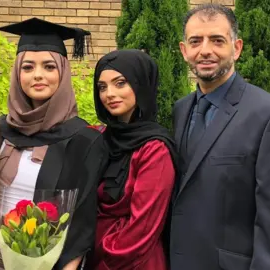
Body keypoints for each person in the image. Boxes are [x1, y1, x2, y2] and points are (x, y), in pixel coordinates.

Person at [171, 4, 270, 270]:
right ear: (184, 51)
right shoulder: (180, 110)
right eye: (195, 41)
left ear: (236, 48)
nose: (205, 50)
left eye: (217, 40)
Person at [0, 18, 106, 270]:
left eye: (48, 66)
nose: (38, 75)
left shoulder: (83, 139)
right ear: (17, 73)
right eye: (27, 67)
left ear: (62, 72)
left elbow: (81, 224)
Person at [87, 49, 178, 270]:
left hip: (130, 262)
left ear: (140, 85)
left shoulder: (154, 149)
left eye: (120, 83)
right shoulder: (99, 138)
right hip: (90, 256)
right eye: (102, 87)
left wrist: (104, 257)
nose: (109, 94)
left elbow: (143, 228)